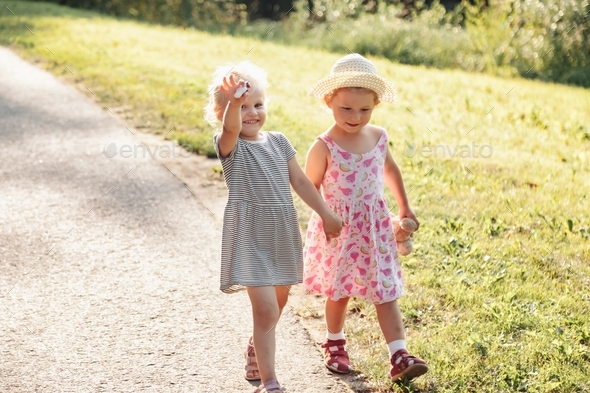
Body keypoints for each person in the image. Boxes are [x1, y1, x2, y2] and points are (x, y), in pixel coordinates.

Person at [205, 61, 344, 393]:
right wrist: (234, 104)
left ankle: (256, 345)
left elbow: (300, 181)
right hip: (249, 235)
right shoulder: (230, 145)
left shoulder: (279, 142)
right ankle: (270, 383)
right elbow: (230, 129)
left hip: (281, 233)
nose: (251, 112)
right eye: (240, 106)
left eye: (257, 104)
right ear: (222, 112)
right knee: (266, 309)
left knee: (278, 304)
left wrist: (325, 213)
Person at [303, 53, 429, 382]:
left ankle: (400, 355)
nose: (356, 116)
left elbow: (389, 169)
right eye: (346, 108)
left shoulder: (378, 136)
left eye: (364, 109)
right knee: (340, 291)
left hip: (375, 228)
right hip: (339, 229)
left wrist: (404, 207)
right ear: (329, 101)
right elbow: (308, 187)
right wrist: (326, 216)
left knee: (385, 290)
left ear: (375, 106)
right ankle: (334, 344)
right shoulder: (324, 146)